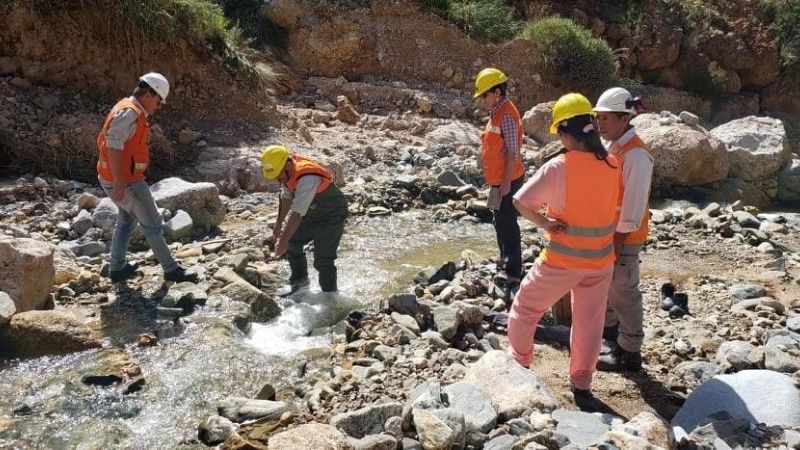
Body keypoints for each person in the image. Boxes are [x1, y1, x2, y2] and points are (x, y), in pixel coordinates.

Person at [507, 93, 620, 410]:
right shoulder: (612, 164)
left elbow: (520, 202)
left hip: (564, 260)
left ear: (566, 133)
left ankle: (519, 363)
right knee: (589, 321)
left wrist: (546, 223)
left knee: (526, 307)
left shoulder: (558, 167)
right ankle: (582, 383)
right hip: (601, 260)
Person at [96, 72, 197, 284]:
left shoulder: (128, 109)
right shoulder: (130, 113)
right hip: (127, 181)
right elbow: (113, 145)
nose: (159, 106)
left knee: (126, 220)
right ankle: (171, 270)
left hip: (116, 177)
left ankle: (117, 268)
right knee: (152, 223)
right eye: (159, 101)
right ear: (149, 94)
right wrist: (119, 181)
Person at [593, 87, 653, 372]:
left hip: (624, 238)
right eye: (598, 118)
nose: (600, 124)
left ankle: (629, 353)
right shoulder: (615, 147)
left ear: (623, 118)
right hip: (609, 234)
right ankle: (611, 338)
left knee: (625, 293)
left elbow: (633, 207)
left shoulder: (636, 155)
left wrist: (616, 243)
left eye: (605, 119)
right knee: (608, 289)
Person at [261, 145, 348, 294]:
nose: (278, 179)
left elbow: (296, 213)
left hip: (332, 214)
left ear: (288, 165)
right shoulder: (286, 174)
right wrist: (278, 225)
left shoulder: (307, 178)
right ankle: (300, 284)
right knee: (293, 242)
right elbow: (286, 198)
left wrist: (282, 242)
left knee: (323, 258)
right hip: (312, 211)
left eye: (279, 175)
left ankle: (330, 297)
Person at [473, 68, 526, 297]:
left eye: (485, 94)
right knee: (497, 219)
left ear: (497, 91)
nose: (483, 100)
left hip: (507, 180)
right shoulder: (496, 112)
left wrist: (505, 183)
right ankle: (504, 258)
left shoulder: (506, 114)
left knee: (508, 223)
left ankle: (513, 270)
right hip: (496, 181)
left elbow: (513, 152)